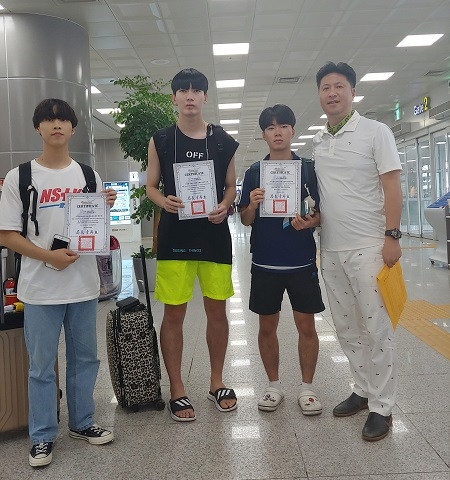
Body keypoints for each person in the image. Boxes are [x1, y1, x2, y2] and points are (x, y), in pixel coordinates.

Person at [0, 99, 117, 467]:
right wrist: (48, 256)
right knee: (41, 366)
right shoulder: (20, 177)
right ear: (38, 128)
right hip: (40, 288)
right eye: (49, 120)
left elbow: (94, 229)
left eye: (63, 120)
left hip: (82, 286)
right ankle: (42, 436)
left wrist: (104, 208)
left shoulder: (88, 176)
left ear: (72, 128)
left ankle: (82, 423)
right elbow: (7, 234)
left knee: (85, 359)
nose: (56, 125)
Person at [313, 62, 403, 441]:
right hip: (331, 249)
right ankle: (363, 389)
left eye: (339, 86)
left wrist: (392, 235)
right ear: (319, 95)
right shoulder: (319, 141)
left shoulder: (375, 132)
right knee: (347, 327)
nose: (332, 93)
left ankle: (382, 406)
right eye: (326, 88)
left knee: (377, 327)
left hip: (369, 246)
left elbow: (392, 184)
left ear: (352, 92)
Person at [146, 68, 239, 422]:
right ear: (174, 98)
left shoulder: (223, 140)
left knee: (217, 312)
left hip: (214, 236)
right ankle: (177, 388)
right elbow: (151, 186)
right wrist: (163, 201)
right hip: (176, 239)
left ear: (205, 97)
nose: (189, 96)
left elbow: (230, 187)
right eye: (182, 91)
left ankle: (217, 382)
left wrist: (225, 205)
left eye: (196, 90)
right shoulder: (161, 139)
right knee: (174, 314)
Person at [238, 104, 325, 415]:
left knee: (306, 326)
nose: (278, 132)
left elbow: (321, 213)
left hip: (301, 261)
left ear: (293, 131)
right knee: (266, 327)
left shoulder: (309, 170)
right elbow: (245, 219)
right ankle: (273, 385)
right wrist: (252, 204)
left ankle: (307, 388)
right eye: (271, 128)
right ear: (263, 134)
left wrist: (310, 222)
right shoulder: (254, 173)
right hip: (265, 262)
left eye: (283, 126)